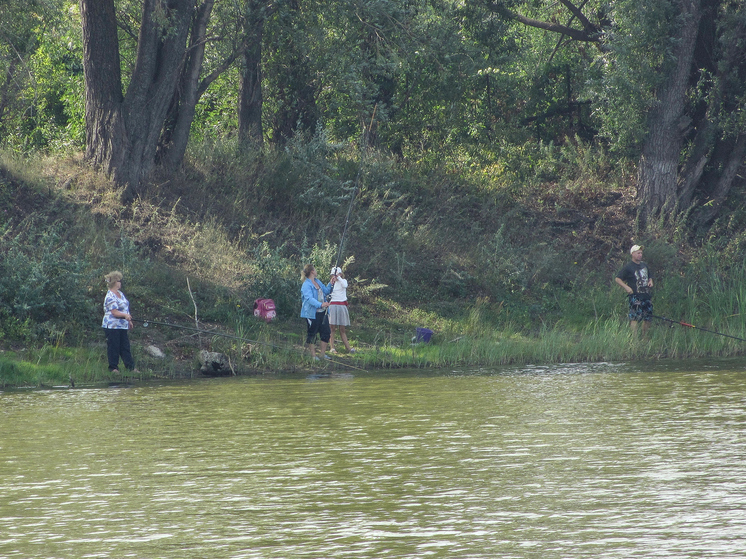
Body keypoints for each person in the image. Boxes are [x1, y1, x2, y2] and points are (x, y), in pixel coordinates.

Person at [102, 271, 137, 373]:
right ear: (114, 282)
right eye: (119, 281)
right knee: (114, 347)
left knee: (125, 347)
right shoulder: (110, 296)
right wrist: (125, 316)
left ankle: (130, 368)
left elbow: (125, 308)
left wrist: (129, 320)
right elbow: (114, 312)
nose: (120, 282)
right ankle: (113, 368)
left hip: (122, 326)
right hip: (112, 326)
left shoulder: (120, 294)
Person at [615, 244, 654, 334]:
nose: (640, 255)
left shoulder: (644, 265)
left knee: (648, 317)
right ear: (632, 254)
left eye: (641, 253)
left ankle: (645, 337)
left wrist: (650, 281)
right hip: (635, 296)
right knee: (635, 317)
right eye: (638, 253)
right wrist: (626, 287)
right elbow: (617, 279)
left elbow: (650, 276)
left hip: (646, 296)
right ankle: (634, 339)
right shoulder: (628, 267)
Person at [300, 264, 332, 361]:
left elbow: (326, 291)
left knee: (326, 332)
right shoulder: (306, 285)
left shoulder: (317, 281)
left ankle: (322, 354)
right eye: (315, 269)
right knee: (312, 334)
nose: (316, 271)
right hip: (311, 313)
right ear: (312, 271)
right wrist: (321, 304)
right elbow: (309, 299)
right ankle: (313, 356)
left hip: (323, 313)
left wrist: (331, 283)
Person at [327, 267, 355, 354]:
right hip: (332, 305)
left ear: (340, 274)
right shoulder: (331, 283)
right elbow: (327, 291)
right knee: (332, 328)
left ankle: (348, 348)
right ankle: (332, 348)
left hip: (342, 305)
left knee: (342, 329)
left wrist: (338, 277)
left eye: (336, 274)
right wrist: (332, 282)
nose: (334, 276)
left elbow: (345, 285)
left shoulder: (344, 281)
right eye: (333, 275)